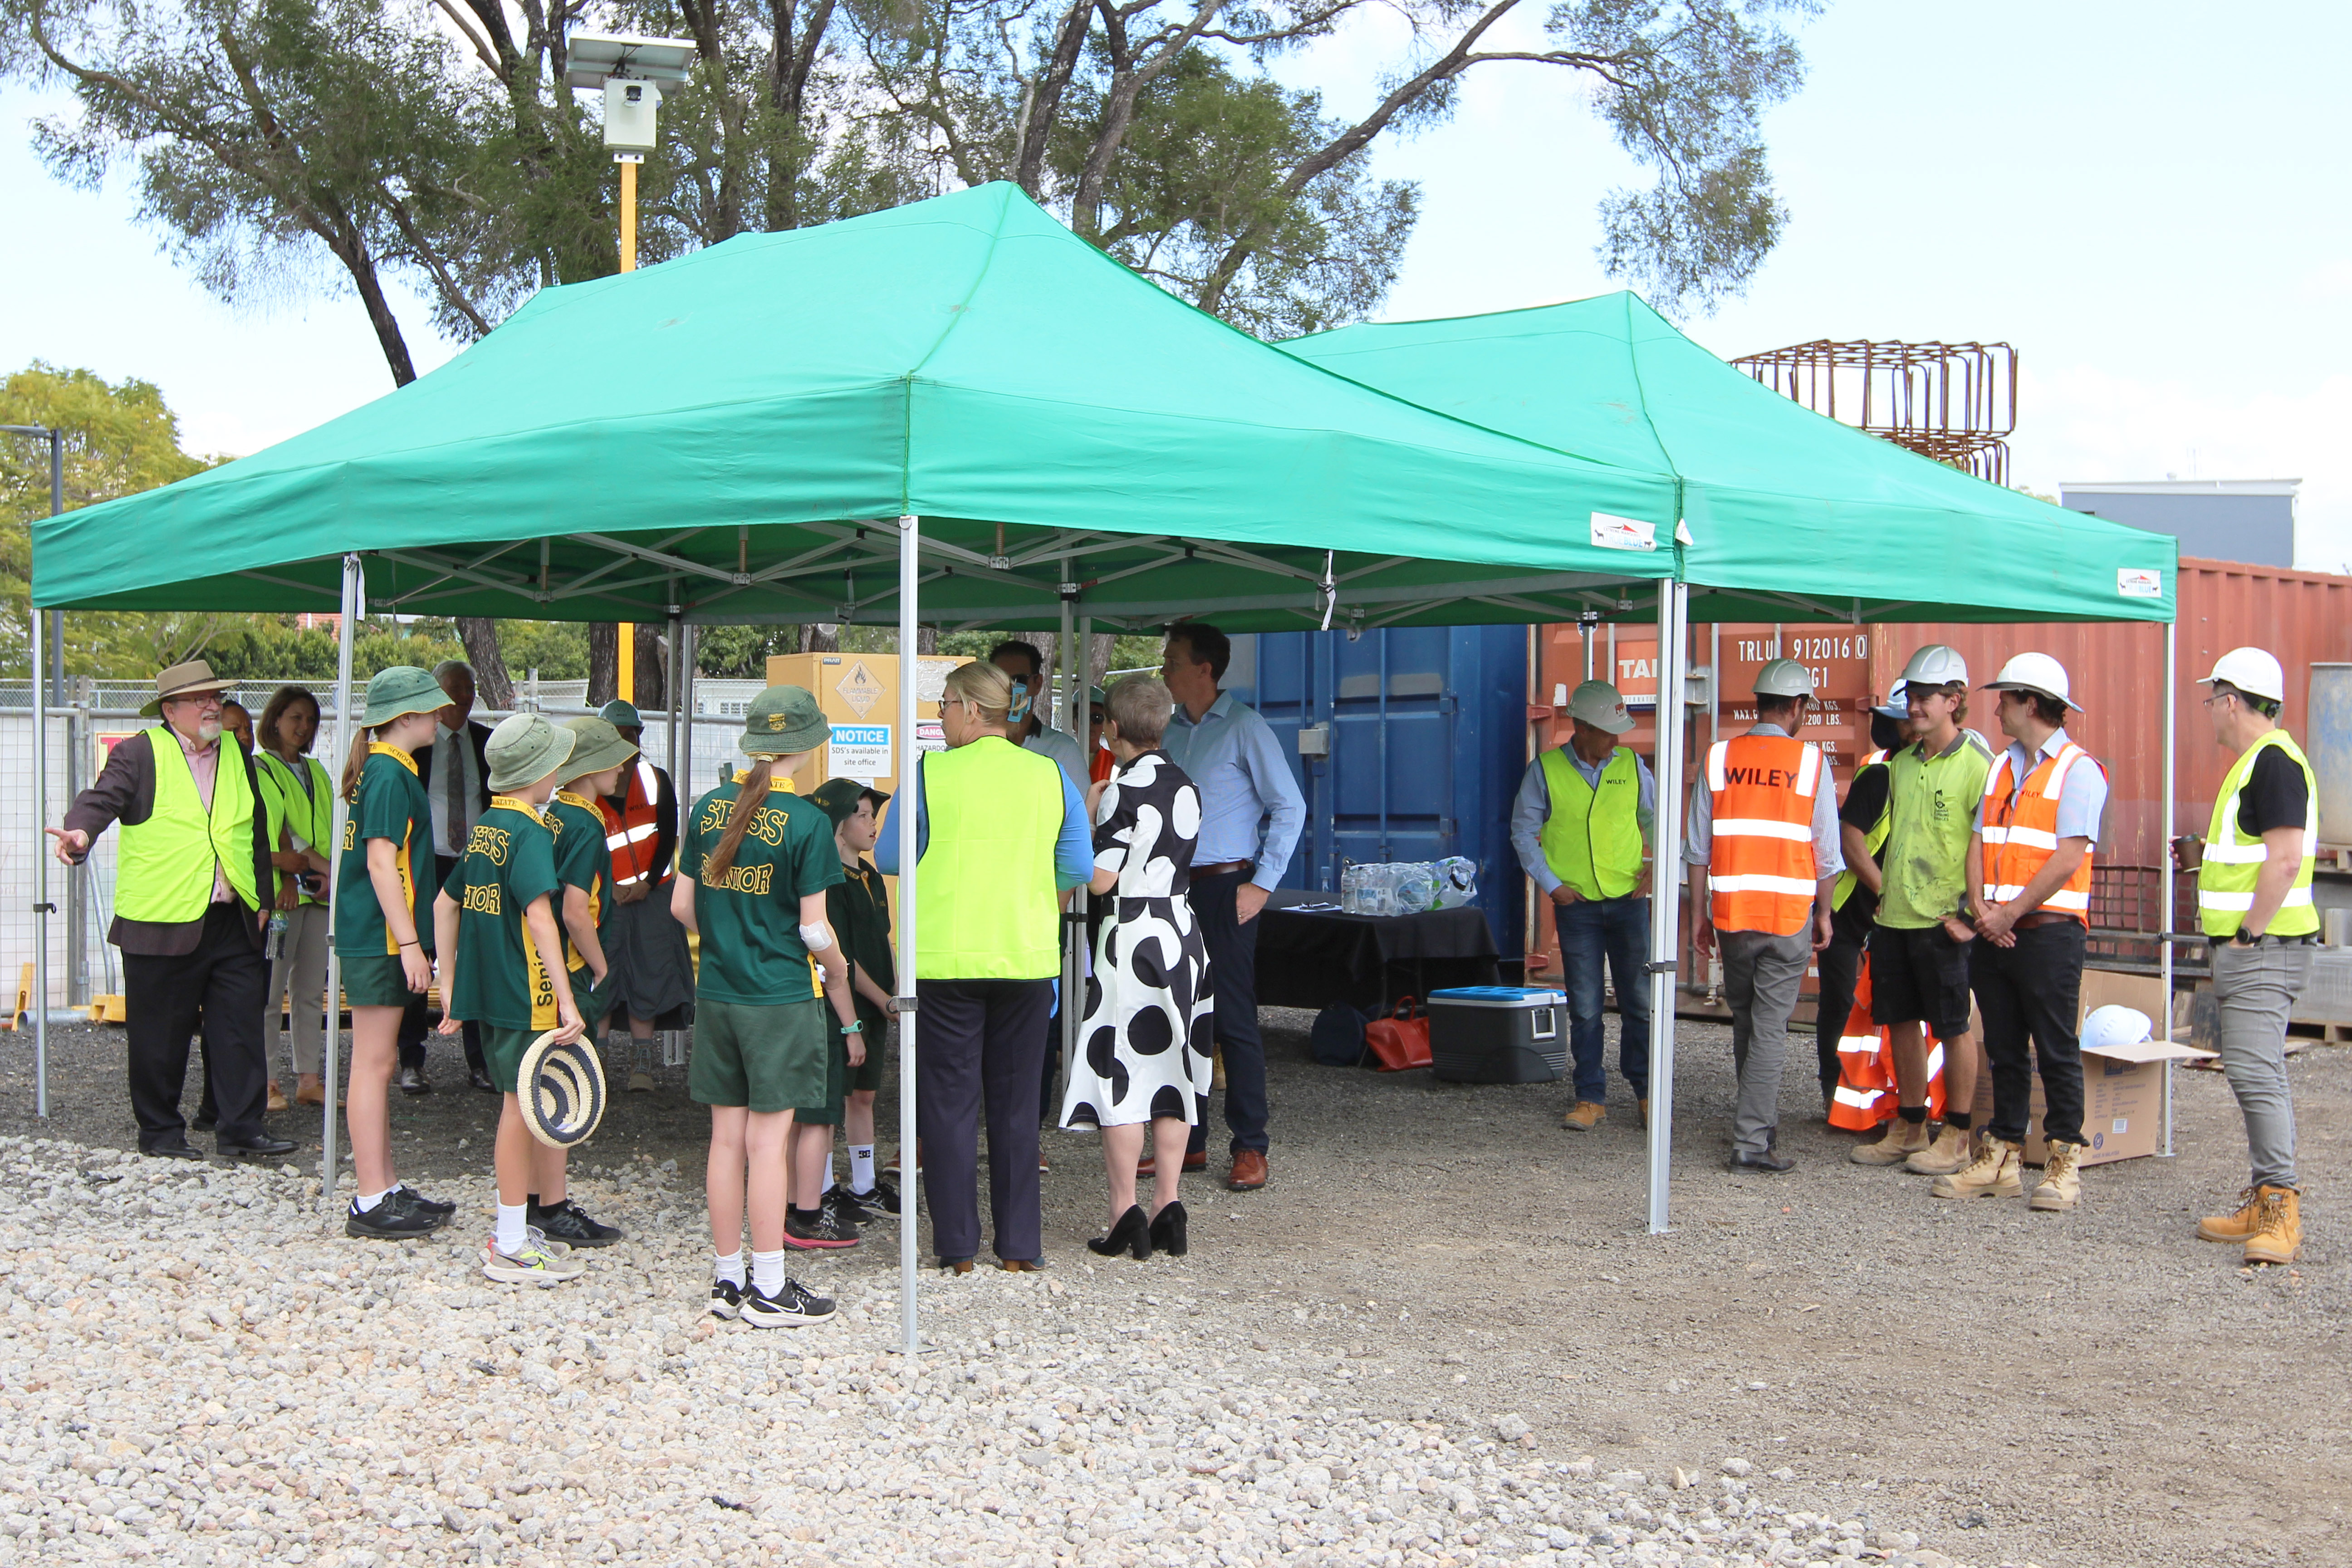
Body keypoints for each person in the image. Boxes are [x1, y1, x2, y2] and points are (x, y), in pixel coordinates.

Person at [877, 661, 1093, 1271]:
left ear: (973, 710)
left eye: (945, 704)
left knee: (948, 1105)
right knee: (1017, 1106)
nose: (939, 716)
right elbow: (1078, 866)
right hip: (1025, 958)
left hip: (945, 961)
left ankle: (957, 1248)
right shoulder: (1049, 773)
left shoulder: (930, 774)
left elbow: (891, 855)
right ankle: (1021, 1248)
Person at [49, 660, 294, 1162]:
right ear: (171, 710)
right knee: (159, 1036)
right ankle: (161, 1134)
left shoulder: (236, 752)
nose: (213, 706)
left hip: (233, 917)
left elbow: (254, 828)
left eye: (216, 697)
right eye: (200, 699)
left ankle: (242, 1129)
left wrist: (264, 900)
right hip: (161, 920)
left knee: (239, 1028)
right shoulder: (140, 753)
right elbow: (100, 801)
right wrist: (79, 835)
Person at [670, 686, 853, 1324]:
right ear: (806, 747)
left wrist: (727, 939)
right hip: (779, 998)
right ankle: (770, 1285)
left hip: (718, 992)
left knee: (726, 1141)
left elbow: (681, 908)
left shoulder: (711, 806)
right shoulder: (806, 822)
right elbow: (814, 930)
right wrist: (839, 968)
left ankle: (728, 1279)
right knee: (768, 1144)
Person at [1935, 653, 2108, 1212]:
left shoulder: (2080, 769)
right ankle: (2004, 1155)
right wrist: (1982, 906)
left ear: (2031, 703)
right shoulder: (2001, 766)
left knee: (2056, 1049)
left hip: (2048, 933)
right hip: (1998, 930)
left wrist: (2005, 914)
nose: (1996, 708)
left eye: (2005, 698)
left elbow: (2069, 856)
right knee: (2005, 1050)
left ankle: (2063, 1161)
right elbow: (1977, 841)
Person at [432, 714, 596, 1284]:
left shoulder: (486, 828)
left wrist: (450, 987)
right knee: (519, 1110)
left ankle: (513, 1232)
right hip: (528, 995)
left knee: (517, 1108)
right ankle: (508, 1243)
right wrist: (569, 1002)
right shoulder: (528, 832)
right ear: (543, 772)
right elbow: (541, 917)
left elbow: (442, 906)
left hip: (492, 991)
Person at [1062, 676, 1215, 1260]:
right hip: (1182, 932)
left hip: (1132, 934)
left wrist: (1091, 813)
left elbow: (1099, 879)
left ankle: (1125, 1209)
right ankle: (1168, 1204)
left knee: (1121, 1070)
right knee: (1175, 1067)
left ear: (1112, 728)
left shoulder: (1124, 789)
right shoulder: (1189, 785)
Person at [1156, 621, 1305, 1192]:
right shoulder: (1168, 733)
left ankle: (1250, 1146)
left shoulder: (1245, 728)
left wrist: (1262, 884)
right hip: (1174, 888)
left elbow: (1289, 806)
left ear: (1205, 670)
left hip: (1226, 888)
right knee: (1177, 1018)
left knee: (1235, 1021)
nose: (1164, 670)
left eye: (1172, 661)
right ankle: (1186, 1142)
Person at [2181, 647, 2317, 1266]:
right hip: (2259, 948)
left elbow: (2285, 859)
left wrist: (2248, 936)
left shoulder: (2272, 763)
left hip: (2264, 950)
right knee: (2252, 1071)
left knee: (2258, 1074)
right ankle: (2267, 1195)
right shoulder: (2262, 765)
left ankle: (2278, 1208)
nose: (2209, 709)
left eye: (2214, 698)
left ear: (2233, 700)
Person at [1686, 657, 1842, 1174]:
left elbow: (1697, 850)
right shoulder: (1811, 764)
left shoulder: (1718, 758)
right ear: (1797, 706)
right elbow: (1827, 853)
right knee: (1771, 1029)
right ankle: (1752, 1141)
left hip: (1732, 916)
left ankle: (1757, 1123)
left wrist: (1698, 918)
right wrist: (1825, 914)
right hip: (1787, 918)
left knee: (1747, 1022)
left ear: (1757, 703)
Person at [1850, 647, 1993, 1175]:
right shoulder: (1901, 766)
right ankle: (1910, 1127)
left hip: (1944, 924)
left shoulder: (1979, 768)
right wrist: (1884, 895)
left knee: (1954, 1027)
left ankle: (1955, 1135)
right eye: (1911, 695)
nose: (1913, 705)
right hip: (1895, 919)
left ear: (1955, 700)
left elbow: (1991, 848)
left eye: (1925, 696)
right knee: (1902, 1024)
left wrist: (1970, 917)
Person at [333, 667, 460, 1237]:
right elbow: (382, 862)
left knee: (378, 1063)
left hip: (380, 935)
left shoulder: (386, 769)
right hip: (380, 938)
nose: (440, 717)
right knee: (374, 1063)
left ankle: (382, 1186)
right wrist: (410, 943)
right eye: (431, 710)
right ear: (405, 717)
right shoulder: (387, 773)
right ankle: (368, 1196)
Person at [1509, 679, 1655, 1132]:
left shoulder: (1632, 765)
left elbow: (1656, 817)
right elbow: (1522, 834)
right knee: (1587, 1008)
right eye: (1608, 731)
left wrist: (1653, 866)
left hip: (1629, 902)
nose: (1617, 739)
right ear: (1582, 728)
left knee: (1639, 1002)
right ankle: (1590, 1097)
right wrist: (1553, 886)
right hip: (1578, 908)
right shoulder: (1546, 771)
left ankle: (1648, 1092)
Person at [529, 715, 643, 1249]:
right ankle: (551, 1206)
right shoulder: (587, 824)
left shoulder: (552, 816)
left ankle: (535, 1197)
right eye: (615, 758)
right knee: (562, 1084)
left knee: (536, 1084)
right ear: (591, 767)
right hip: (570, 969)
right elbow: (577, 911)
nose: (624, 766)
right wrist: (599, 966)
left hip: (537, 967)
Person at [991, 639, 1090, 1147]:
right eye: (1002, 679)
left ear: (1037, 685)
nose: (1013, 690)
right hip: (983, 906)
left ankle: (1026, 1132)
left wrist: (1055, 911)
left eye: (1021, 680)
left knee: (1036, 1020)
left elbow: (1077, 840)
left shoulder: (1060, 752)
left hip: (1039, 905)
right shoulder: (963, 750)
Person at [810, 778, 902, 1221]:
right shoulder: (830, 881)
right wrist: (883, 999)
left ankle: (864, 1186)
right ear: (837, 825)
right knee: (832, 1098)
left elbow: (884, 940)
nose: (873, 825)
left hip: (880, 1000)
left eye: (874, 816)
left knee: (864, 1096)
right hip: (847, 1002)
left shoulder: (871, 875)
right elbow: (841, 958)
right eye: (862, 816)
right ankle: (824, 1187)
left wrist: (897, 989)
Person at [595, 699, 696, 1092]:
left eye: (631, 735)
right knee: (602, 977)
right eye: (617, 736)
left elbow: (669, 834)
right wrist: (611, 888)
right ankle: (597, 1065)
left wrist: (647, 883)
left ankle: (642, 1066)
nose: (625, 742)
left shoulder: (655, 779)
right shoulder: (587, 786)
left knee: (650, 976)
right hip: (606, 900)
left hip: (652, 897)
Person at [403, 660, 494, 1094]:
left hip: (475, 863)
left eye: (469, 689)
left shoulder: (486, 743)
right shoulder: (415, 749)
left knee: (475, 957)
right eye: (454, 689)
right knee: (420, 955)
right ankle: (411, 1060)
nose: (463, 697)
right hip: (427, 863)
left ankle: (480, 1061)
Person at [1817, 693, 1907, 1117]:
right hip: (1852, 912)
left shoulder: (1912, 774)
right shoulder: (1880, 775)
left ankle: (1878, 1100)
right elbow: (1850, 844)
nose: (1882, 727)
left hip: (1882, 915)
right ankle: (1836, 1095)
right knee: (1841, 1006)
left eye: (1889, 719)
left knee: (1884, 1010)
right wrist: (1889, 894)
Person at [255, 686, 334, 1108]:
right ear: (275, 720)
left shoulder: (317, 771)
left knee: (308, 991)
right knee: (269, 993)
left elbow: (330, 826)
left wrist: (327, 874)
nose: (303, 728)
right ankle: (267, 1081)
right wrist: (314, 869)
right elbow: (287, 832)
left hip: (318, 894)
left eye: (309, 720)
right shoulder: (261, 768)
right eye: (295, 718)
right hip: (288, 892)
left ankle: (308, 1078)